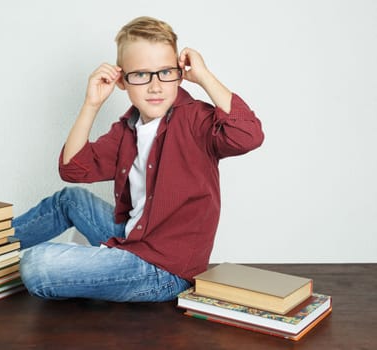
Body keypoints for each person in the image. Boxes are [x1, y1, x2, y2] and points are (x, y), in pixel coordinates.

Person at [13, 16, 264, 302]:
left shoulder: (195, 119)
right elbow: (73, 169)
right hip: (132, 239)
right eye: (141, 75)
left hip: (164, 270)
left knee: (37, 264)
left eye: (165, 72)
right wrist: (91, 104)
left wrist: (205, 76)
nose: (155, 86)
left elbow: (248, 135)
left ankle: (97, 265)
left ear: (180, 73)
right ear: (122, 81)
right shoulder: (126, 129)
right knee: (69, 199)